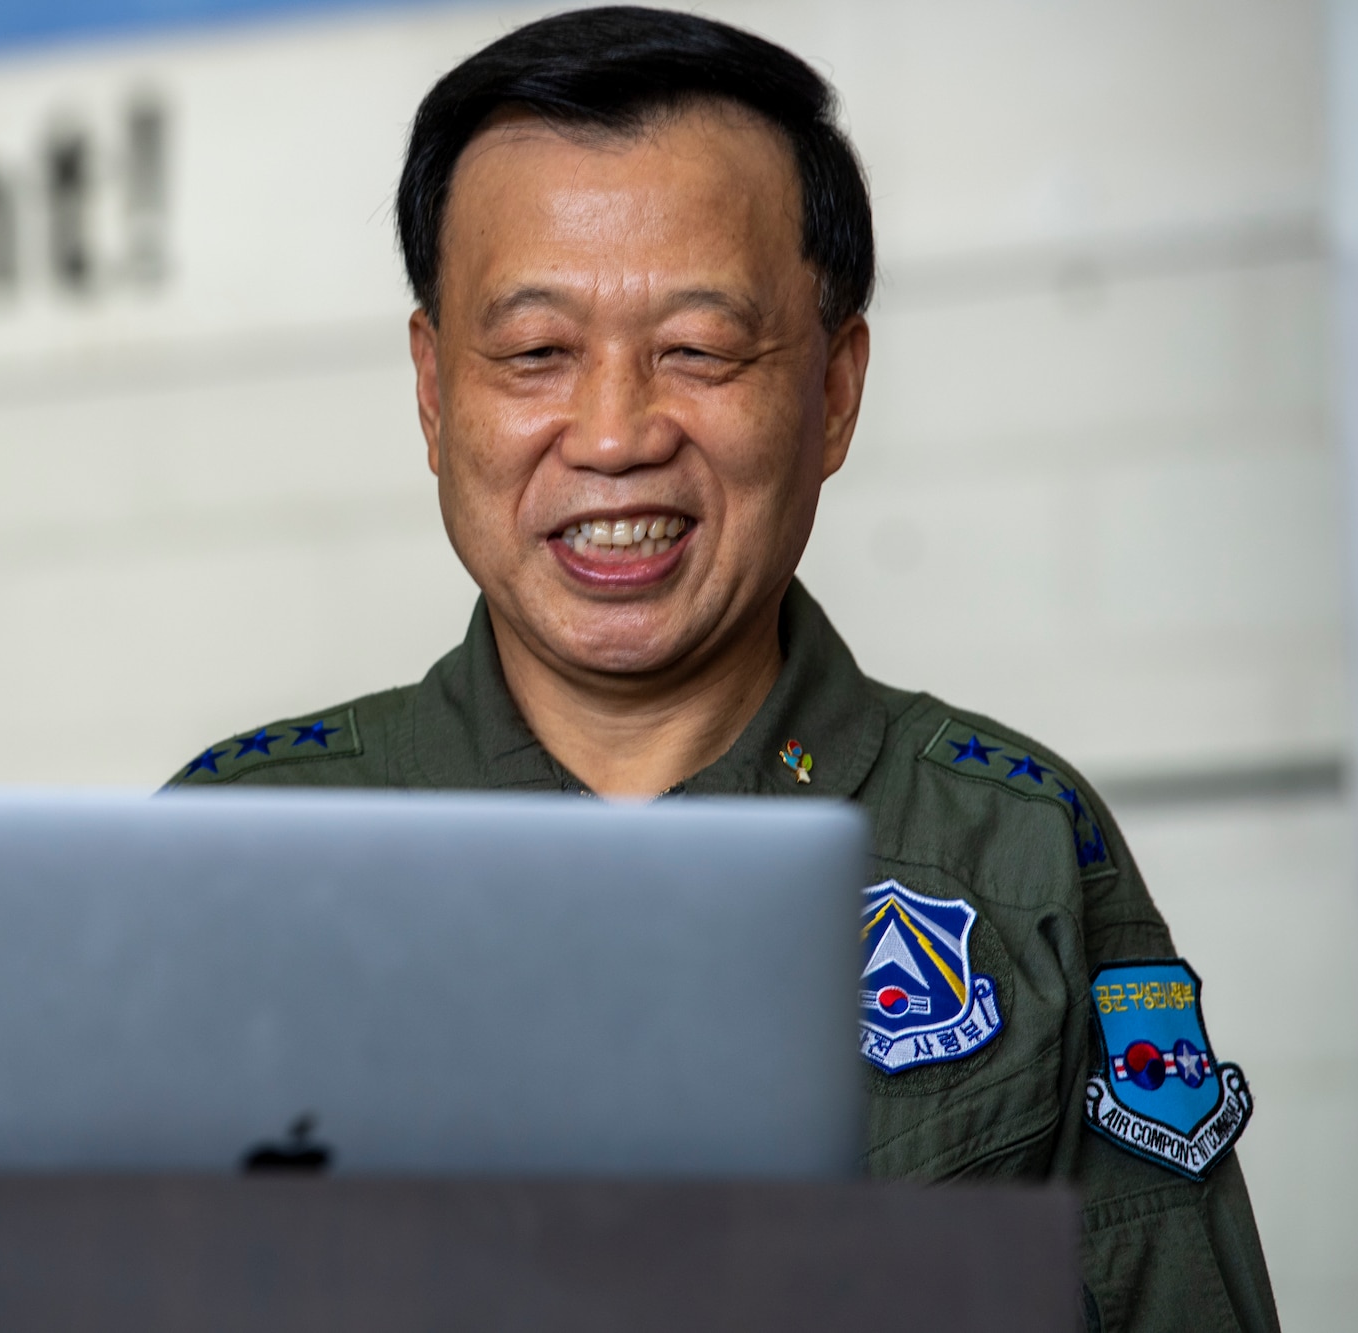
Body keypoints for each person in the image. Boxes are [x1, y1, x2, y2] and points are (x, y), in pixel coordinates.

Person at [167, 8, 1277, 1328]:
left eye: (697, 349)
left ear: (834, 392)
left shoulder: (1016, 851)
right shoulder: (233, 857)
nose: (617, 431)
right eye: (534, 353)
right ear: (431, 390)